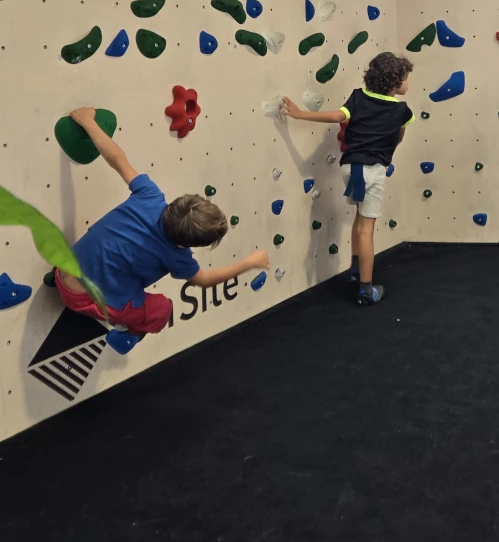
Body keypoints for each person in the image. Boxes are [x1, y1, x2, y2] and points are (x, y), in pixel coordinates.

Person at [47, 108, 269, 352]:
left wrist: (88, 122)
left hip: (63, 271)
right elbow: (205, 280)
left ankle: (59, 278)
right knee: (162, 309)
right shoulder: (177, 256)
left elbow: (117, 158)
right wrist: (250, 262)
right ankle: (126, 334)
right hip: (83, 300)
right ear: (187, 245)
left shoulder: (149, 195)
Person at [282, 51, 414, 306]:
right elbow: (398, 139)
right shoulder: (403, 111)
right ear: (394, 82)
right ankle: (366, 290)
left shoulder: (358, 97)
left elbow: (336, 116)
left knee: (359, 218)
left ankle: (356, 267)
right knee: (367, 228)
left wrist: (299, 114)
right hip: (372, 170)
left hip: (350, 166)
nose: (408, 83)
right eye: (406, 78)